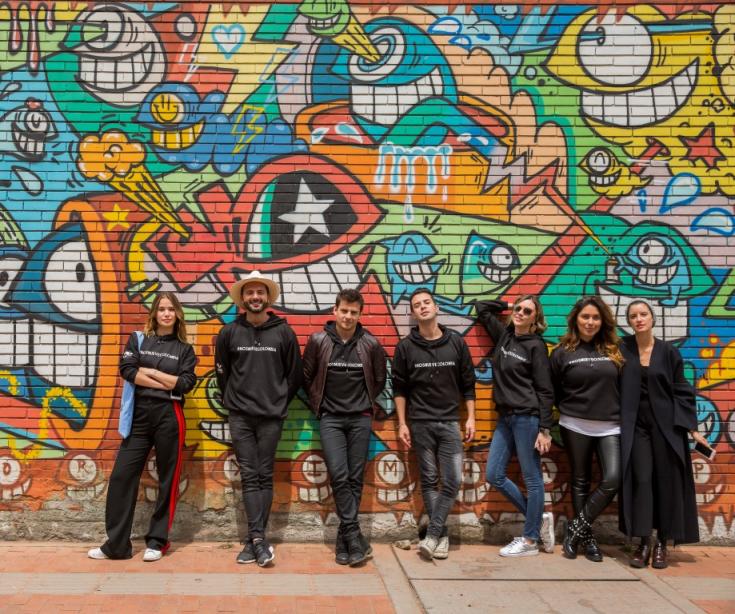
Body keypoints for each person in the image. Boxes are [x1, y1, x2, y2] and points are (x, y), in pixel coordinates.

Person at [88, 292, 197, 562]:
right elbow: (127, 370)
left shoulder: (184, 349)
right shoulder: (138, 339)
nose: (166, 314)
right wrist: (167, 381)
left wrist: (150, 372)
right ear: (154, 313)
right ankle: (116, 545)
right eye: (161, 309)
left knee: (167, 479)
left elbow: (185, 384)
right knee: (122, 476)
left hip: (170, 415)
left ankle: (157, 542)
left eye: (171, 309)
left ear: (178, 314)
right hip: (139, 415)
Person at [215, 271, 302, 567]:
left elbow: (294, 375)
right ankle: (258, 541)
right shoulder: (229, 333)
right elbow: (222, 373)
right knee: (250, 475)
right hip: (240, 416)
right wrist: (234, 401)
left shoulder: (284, 333)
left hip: (271, 417)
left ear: (267, 298)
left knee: (264, 474)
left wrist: (278, 402)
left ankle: (255, 540)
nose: (255, 297)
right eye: (250, 292)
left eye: (260, 292)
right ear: (242, 298)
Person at [303, 289, 387, 566]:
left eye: (354, 312)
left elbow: (379, 379)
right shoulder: (318, 341)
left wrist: (363, 403)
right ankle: (354, 535)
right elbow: (307, 377)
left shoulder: (370, 344)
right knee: (339, 475)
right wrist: (321, 404)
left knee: (354, 478)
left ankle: (344, 539)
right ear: (335, 311)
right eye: (344, 311)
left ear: (360, 314)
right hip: (331, 419)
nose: (348, 316)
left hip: (360, 418)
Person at [619, 300, 704, 569]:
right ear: (628, 322)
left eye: (643, 314)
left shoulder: (669, 352)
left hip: (667, 427)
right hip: (636, 427)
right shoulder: (622, 349)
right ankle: (644, 541)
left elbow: (681, 389)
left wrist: (692, 428)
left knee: (666, 482)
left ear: (652, 318)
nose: (639, 319)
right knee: (642, 480)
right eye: (633, 316)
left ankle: (662, 544)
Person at [393, 288, 476, 560]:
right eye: (417, 305)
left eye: (427, 302)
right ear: (413, 313)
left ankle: (432, 534)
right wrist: (402, 423)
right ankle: (441, 537)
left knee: (452, 480)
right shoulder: (405, 347)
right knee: (429, 481)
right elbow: (399, 389)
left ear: (436, 307)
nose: (423, 307)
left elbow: (468, 384)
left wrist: (471, 417)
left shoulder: (456, 342)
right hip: (420, 424)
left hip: (450, 422)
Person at [475, 296, 555, 557]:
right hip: (505, 418)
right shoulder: (504, 336)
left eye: (527, 311)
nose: (520, 313)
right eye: (519, 309)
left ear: (535, 319)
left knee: (532, 478)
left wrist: (545, 429)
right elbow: (481, 307)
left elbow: (545, 389)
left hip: (527, 418)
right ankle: (538, 519)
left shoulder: (536, 346)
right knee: (493, 474)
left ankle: (530, 541)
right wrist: (510, 304)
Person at [551, 296, 623, 562]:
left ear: (602, 321)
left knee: (613, 479)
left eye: (595, 317)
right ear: (576, 320)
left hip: (610, 426)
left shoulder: (615, 350)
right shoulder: (561, 352)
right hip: (575, 424)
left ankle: (575, 530)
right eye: (585, 317)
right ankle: (588, 538)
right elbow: (553, 390)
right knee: (580, 480)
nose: (590, 322)